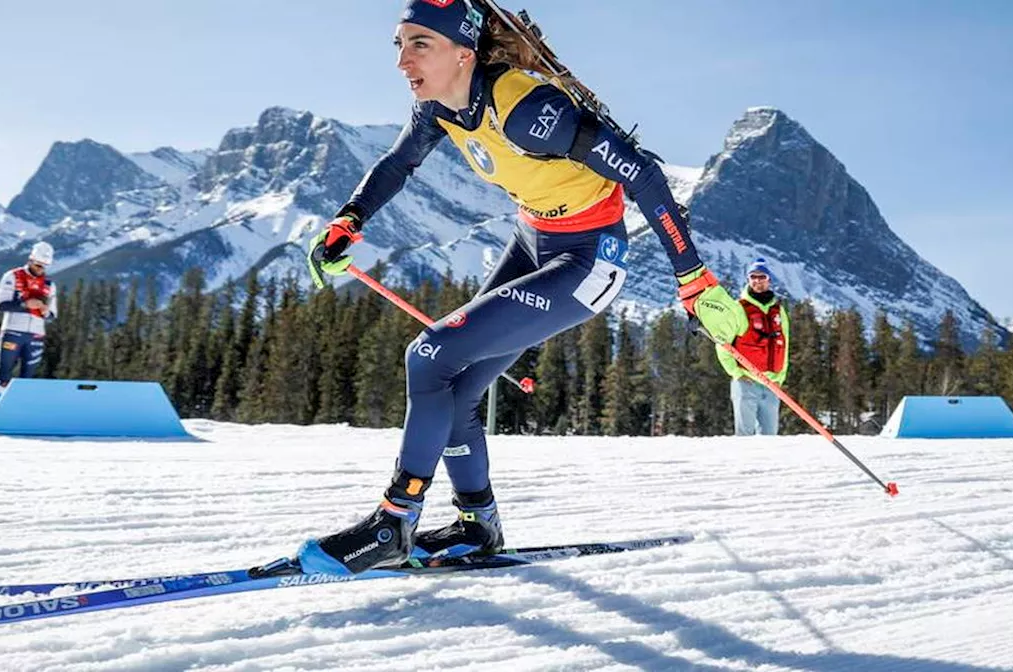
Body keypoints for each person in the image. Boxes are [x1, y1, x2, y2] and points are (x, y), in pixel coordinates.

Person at [296, 0, 747, 576]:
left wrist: (692, 277)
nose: (403, 60)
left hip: (587, 262)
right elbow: (395, 165)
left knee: (429, 356)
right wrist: (348, 220)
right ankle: (477, 525)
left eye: (419, 44)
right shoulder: (438, 108)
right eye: (399, 44)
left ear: (464, 52)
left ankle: (394, 521)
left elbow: (642, 173)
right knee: (454, 387)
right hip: (533, 240)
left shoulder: (527, 108)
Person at [717, 258, 789, 436]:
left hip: (772, 383)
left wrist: (780, 377)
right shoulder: (738, 308)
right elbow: (722, 343)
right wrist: (736, 373)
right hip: (746, 381)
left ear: (769, 279)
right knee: (745, 436)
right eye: (753, 277)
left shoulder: (778, 311)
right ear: (748, 279)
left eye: (762, 277)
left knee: (770, 436)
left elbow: (784, 344)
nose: (757, 281)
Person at [0, 242, 57, 407]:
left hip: (36, 335)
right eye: (38, 264)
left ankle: (20, 410)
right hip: (13, 331)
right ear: (31, 259)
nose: (40, 269)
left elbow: (53, 315)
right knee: (4, 374)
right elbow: (0, 304)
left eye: (44, 266)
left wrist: (45, 311)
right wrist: (25, 305)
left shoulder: (49, 285)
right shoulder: (12, 276)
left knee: (28, 379)